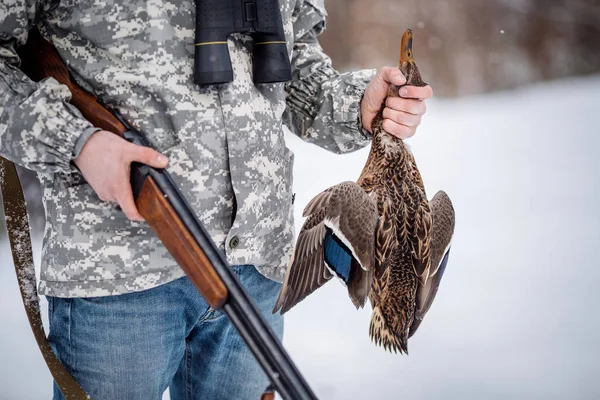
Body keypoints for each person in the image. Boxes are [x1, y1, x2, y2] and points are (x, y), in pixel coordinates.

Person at [0, 0, 432, 399]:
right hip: (118, 273)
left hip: (256, 272)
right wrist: (77, 141)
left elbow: (294, 66)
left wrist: (358, 106)